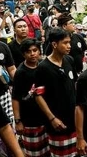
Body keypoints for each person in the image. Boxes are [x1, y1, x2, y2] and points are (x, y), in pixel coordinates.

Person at [34, 28, 78, 157]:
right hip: (57, 122)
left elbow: (74, 85)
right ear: (54, 44)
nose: (69, 46)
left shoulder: (69, 60)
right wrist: (52, 118)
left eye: (70, 42)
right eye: (65, 43)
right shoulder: (43, 67)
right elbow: (38, 96)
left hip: (73, 119)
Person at [13, 39, 49, 157]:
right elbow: (16, 98)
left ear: (39, 51)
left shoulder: (44, 67)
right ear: (24, 54)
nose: (32, 54)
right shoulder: (20, 72)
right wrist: (18, 121)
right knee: (33, 153)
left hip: (46, 118)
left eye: (35, 50)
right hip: (29, 121)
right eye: (29, 51)